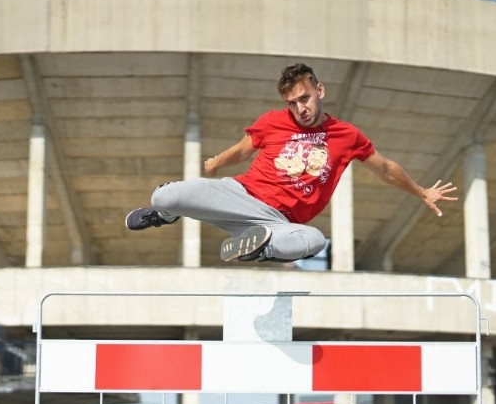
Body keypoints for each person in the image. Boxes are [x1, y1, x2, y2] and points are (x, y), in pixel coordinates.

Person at [125, 63, 458, 263]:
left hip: (278, 223)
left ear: (320, 90)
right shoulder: (272, 121)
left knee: (314, 240)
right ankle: (165, 215)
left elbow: (384, 168)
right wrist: (216, 164)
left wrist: (421, 192)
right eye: (292, 103)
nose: (300, 109)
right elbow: (242, 151)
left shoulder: (347, 135)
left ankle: (259, 247)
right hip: (239, 195)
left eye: (304, 99)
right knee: (164, 196)